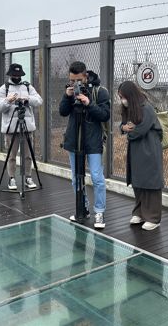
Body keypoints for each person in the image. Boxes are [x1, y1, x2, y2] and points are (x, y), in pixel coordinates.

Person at [59, 61, 110, 229]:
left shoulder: (100, 92)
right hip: (74, 140)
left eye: (78, 80)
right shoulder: (71, 91)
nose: (75, 84)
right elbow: (63, 112)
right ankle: (83, 208)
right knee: (76, 178)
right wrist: (67, 96)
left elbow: (105, 115)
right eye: (72, 80)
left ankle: (99, 212)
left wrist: (89, 103)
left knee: (97, 177)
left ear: (86, 75)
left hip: (93, 140)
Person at [118, 80, 164, 231]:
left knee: (151, 182)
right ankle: (139, 212)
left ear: (130, 95)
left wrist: (129, 132)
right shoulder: (132, 107)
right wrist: (124, 128)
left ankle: (153, 218)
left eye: (123, 97)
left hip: (149, 149)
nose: (122, 100)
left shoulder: (147, 108)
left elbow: (140, 130)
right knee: (138, 181)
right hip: (137, 150)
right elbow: (125, 125)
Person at [0, 63, 43, 190]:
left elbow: (39, 100)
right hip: (11, 127)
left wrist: (26, 99)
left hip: (26, 126)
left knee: (28, 154)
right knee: (11, 155)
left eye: (18, 75)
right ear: (10, 74)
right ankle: (12, 179)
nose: (16, 77)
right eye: (14, 74)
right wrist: (8, 101)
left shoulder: (27, 86)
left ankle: (28, 177)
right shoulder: (3, 88)